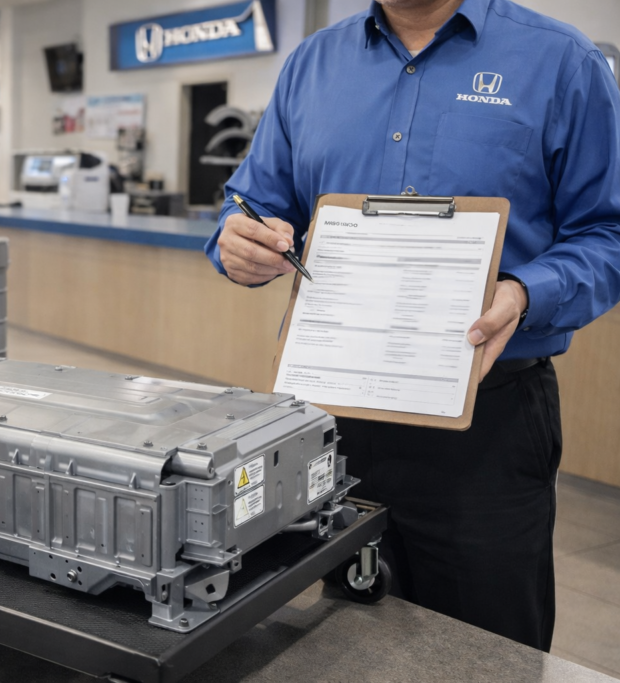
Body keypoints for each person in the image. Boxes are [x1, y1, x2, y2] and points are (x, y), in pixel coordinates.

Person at [205, 0, 620, 652]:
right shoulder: (312, 65)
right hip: (336, 418)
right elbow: (251, 203)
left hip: (489, 422)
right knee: (344, 635)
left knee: (487, 650)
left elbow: (607, 233)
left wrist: (524, 291)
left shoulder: (562, 62)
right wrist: (237, 240)